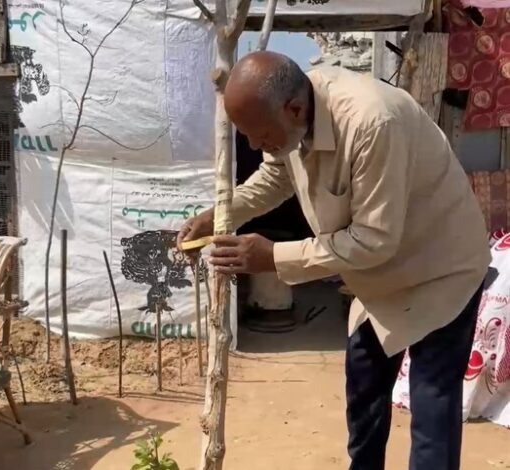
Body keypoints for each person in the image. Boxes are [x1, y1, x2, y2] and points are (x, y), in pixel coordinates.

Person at [177, 51, 490, 470]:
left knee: (431, 405)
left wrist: (273, 256)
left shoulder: (372, 122)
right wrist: (221, 214)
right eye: (248, 137)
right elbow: (277, 175)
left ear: (294, 109)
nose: (255, 146)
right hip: (379, 278)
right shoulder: (293, 114)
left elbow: (374, 240)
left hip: (440, 270)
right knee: (365, 392)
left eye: (261, 135)